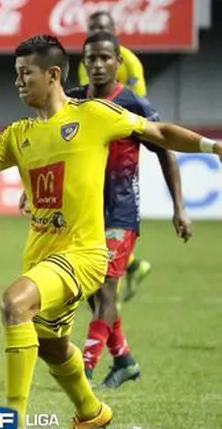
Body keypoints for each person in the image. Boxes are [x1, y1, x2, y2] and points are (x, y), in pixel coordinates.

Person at [0, 35, 222, 429]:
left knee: (14, 303)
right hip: (41, 258)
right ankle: (92, 411)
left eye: (25, 74)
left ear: (53, 75)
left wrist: (214, 147)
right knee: (52, 348)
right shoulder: (18, 135)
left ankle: (12, 425)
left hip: (84, 255)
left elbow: (159, 133)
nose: (18, 82)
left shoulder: (96, 115)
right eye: (15, 75)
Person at [68, 32, 192, 387]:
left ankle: (85, 370)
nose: (97, 64)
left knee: (106, 290)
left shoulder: (134, 105)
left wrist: (179, 207)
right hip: (86, 214)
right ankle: (124, 360)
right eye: (91, 58)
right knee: (92, 292)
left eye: (105, 58)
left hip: (121, 212)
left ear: (118, 63)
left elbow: (165, 150)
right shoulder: (74, 102)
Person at [77, 10, 153, 297]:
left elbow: (132, 105)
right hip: (93, 155)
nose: (95, 29)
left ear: (114, 29)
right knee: (96, 230)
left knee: (110, 230)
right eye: (92, 26)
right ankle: (131, 268)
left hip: (121, 148)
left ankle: (118, 282)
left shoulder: (130, 63)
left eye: (101, 26)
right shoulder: (88, 66)